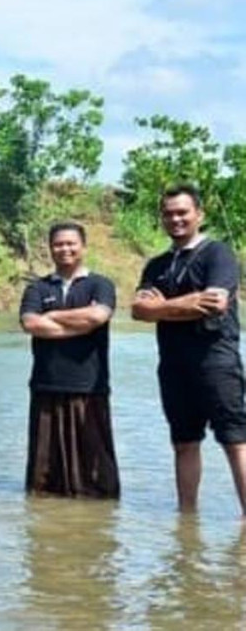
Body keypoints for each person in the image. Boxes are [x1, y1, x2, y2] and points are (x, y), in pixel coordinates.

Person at [132, 185, 246, 516]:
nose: (175, 219)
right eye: (168, 213)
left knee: (234, 440)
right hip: (173, 363)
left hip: (216, 361)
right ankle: (187, 522)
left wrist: (161, 307)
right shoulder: (157, 265)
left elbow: (215, 303)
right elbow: (139, 311)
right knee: (183, 442)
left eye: (182, 212)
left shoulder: (218, 254)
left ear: (199, 214)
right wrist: (185, 303)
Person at [18, 222, 120, 499]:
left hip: (89, 386)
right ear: (50, 249)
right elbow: (30, 324)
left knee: (97, 474)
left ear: (83, 247)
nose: (65, 249)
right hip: (46, 385)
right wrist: (80, 324)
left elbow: (98, 316)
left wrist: (52, 316)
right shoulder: (38, 288)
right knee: (44, 476)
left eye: (71, 244)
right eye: (58, 244)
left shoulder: (100, 284)